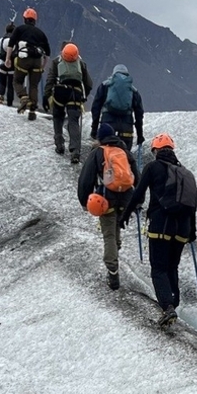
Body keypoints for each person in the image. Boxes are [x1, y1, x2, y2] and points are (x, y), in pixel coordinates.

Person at [132, 133, 197, 325]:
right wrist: (191, 233)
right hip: (182, 231)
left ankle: (167, 308)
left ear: (155, 150)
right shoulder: (186, 173)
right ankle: (174, 305)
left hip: (161, 226)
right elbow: (192, 205)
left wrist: (126, 213)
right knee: (172, 267)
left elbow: (138, 193)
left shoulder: (153, 167)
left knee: (159, 269)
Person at [75, 123, 142, 290]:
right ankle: (115, 255)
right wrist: (138, 200)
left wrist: (84, 201)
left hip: (106, 199)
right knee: (116, 230)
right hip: (126, 200)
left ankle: (113, 271)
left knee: (109, 235)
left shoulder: (98, 153)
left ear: (101, 138)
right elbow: (136, 175)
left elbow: (86, 178)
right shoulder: (124, 151)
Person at [44, 43, 93, 164]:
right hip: (75, 94)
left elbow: (50, 79)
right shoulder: (81, 63)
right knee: (73, 120)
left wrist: (46, 95)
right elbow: (88, 83)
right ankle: (75, 150)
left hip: (60, 92)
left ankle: (59, 143)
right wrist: (84, 95)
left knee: (58, 116)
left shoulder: (56, 62)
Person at [5, 8, 51, 120]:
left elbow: (11, 45)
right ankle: (32, 111)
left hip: (23, 59)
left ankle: (23, 97)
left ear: (25, 19)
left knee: (17, 80)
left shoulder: (19, 29)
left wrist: (8, 59)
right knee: (34, 85)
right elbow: (48, 53)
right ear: (35, 20)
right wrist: (42, 67)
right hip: (37, 61)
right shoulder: (41, 33)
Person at [90, 64, 145, 149]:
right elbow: (139, 114)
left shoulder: (105, 86)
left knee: (104, 156)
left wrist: (94, 130)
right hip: (126, 130)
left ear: (113, 74)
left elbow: (96, 108)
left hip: (107, 127)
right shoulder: (133, 90)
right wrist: (140, 135)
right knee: (125, 158)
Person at [0, 23, 16, 106]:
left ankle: (0, 96)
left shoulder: (0, 40)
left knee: (2, 83)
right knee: (11, 85)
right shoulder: (16, 41)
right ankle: (10, 102)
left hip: (2, 65)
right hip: (12, 67)